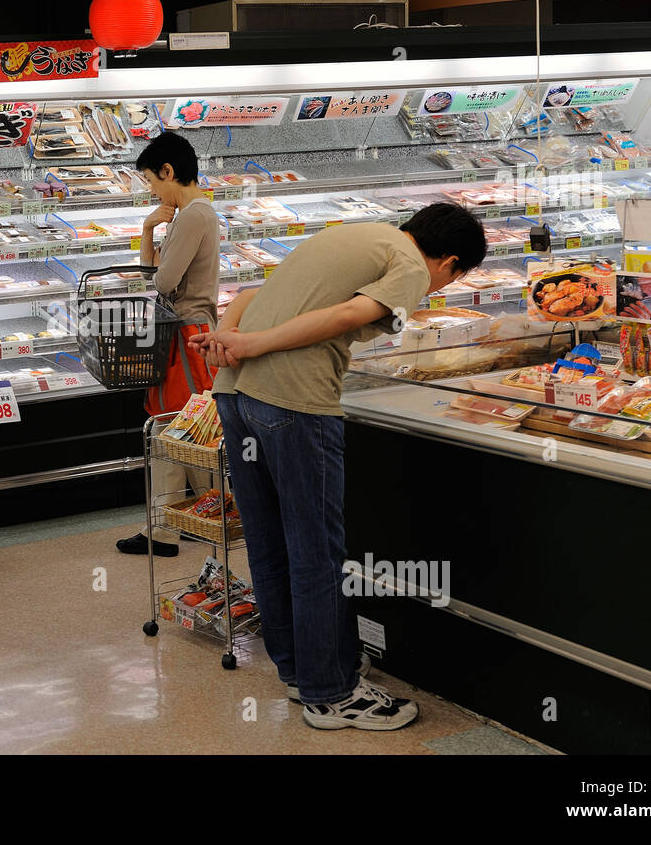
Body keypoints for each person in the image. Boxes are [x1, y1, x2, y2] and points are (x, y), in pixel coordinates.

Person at [190, 203, 486, 730]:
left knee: (269, 542)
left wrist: (228, 338)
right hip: (293, 400)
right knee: (316, 553)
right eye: (453, 278)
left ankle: (302, 672)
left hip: (236, 397)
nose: (439, 288)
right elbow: (349, 316)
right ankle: (332, 694)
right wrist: (251, 342)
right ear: (451, 261)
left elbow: (254, 295)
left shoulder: (360, 235)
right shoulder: (413, 264)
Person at [115, 131, 220, 557]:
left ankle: (169, 529)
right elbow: (153, 276)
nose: (152, 191)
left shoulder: (194, 215)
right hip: (187, 331)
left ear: (168, 171)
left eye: (151, 182)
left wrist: (155, 241)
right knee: (188, 428)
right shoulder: (194, 213)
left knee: (173, 426)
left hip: (186, 334)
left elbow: (161, 281)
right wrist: (147, 228)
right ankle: (198, 518)